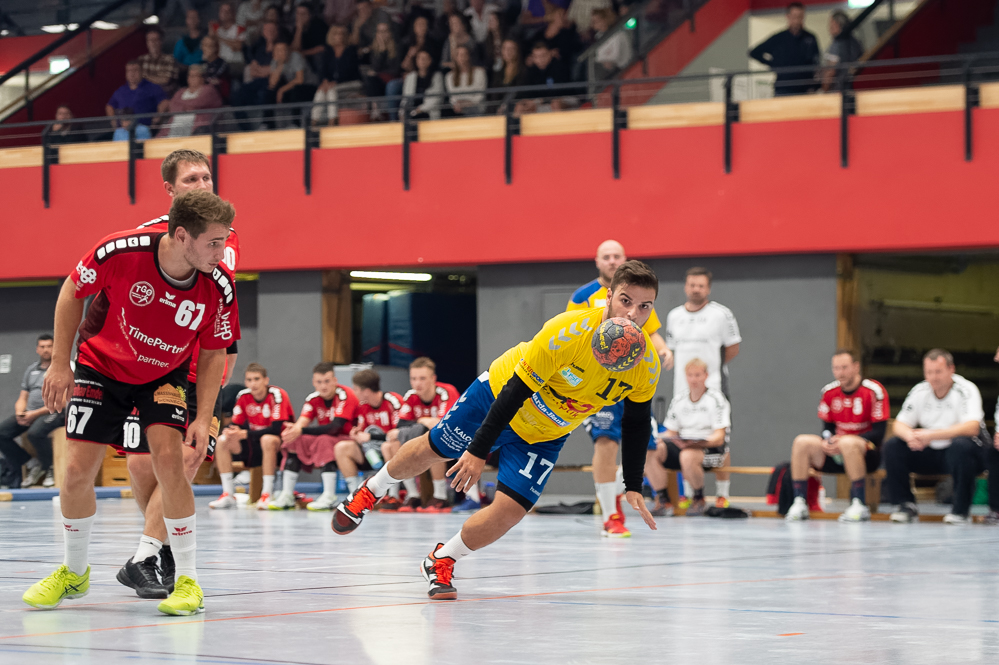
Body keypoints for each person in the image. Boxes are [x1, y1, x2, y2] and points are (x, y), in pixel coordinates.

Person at [333, 260, 662, 600]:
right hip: (498, 396)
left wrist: (633, 485)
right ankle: (372, 490)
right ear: (608, 296)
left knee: (511, 510)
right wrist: (477, 451)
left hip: (546, 432)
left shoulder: (646, 365)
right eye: (625, 300)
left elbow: (636, 422)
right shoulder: (566, 332)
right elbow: (515, 392)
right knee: (437, 447)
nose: (632, 314)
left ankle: (441, 560)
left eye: (644, 306)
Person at [22, 189, 239, 616]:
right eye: (214, 243)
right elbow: (71, 291)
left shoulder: (220, 286)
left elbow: (215, 352)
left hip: (164, 375)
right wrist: (61, 364)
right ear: (182, 236)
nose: (223, 252)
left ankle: (188, 581)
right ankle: (74, 572)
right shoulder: (120, 251)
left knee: (170, 462)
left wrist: (204, 416)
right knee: (76, 471)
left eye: (224, 241)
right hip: (101, 367)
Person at [116, 149, 241, 601]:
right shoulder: (146, 237)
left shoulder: (226, 238)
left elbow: (221, 310)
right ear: (170, 190)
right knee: (140, 464)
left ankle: (144, 555)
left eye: (206, 177)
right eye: (191, 179)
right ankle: (163, 549)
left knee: (187, 458)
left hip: (199, 368)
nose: (202, 184)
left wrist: (218, 373)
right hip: (151, 368)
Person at [570, 239, 671, 535]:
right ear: (597, 261)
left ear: (624, 260)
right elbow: (573, 328)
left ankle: (613, 492)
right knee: (607, 443)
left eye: (617, 256)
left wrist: (663, 349)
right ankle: (611, 516)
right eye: (607, 256)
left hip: (632, 382)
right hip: (598, 385)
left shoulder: (639, 295)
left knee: (646, 449)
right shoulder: (583, 296)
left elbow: (651, 331)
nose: (612, 260)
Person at [885, 349, 990, 524]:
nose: (933, 377)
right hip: (931, 452)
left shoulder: (966, 389)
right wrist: (910, 436)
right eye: (929, 372)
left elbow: (972, 427)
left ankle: (960, 510)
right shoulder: (919, 390)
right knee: (893, 446)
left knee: (961, 446)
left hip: (966, 454)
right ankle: (905, 505)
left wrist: (931, 435)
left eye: (938, 372)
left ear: (951, 369)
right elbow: (899, 424)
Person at [785, 350, 888, 522]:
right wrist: (828, 440)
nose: (840, 373)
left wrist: (847, 440)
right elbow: (827, 428)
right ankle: (799, 502)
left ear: (856, 367)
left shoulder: (873, 390)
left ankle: (859, 504)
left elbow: (878, 433)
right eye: (836, 368)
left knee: (848, 442)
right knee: (801, 442)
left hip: (866, 454)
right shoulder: (829, 391)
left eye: (844, 367)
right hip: (836, 452)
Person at [645, 359, 731, 517]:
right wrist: (657, 438)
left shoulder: (717, 400)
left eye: (697, 375)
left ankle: (698, 499)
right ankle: (663, 500)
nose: (693, 379)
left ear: (706, 376)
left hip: (709, 448)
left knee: (688, 455)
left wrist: (698, 442)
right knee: (651, 450)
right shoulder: (679, 400)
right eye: (690, 375)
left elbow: (719, 436)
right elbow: (670, 432)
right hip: (682, 445)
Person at [276, 362, 359, 511]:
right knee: (295, 439)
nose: (323, 386)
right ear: (313, 383)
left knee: (323, 440)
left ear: (335, 381)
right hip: (327, 438)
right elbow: (302, 423)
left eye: (327, 381)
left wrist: (301, 430)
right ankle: (287, 494)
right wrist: (293, 431)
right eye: (319, 382)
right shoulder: (313, 398)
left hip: (348, 440)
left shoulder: (345, 395)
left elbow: (335, 428)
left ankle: (329, 495)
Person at [381, 357, 460, 512]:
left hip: (456, 447)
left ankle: (441, 497)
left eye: (422, 378)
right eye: (413, 379)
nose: (417, 383)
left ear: (433, 379)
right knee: (394, 442)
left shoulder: (446, 392)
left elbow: (443, 424)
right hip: (425, 448)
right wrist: (423, 420)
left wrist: (422, 422)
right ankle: (412, 495)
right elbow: (401, 425)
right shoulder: (411, 396)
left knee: (435, 438)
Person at [211, 363, 294, 510]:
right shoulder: (243, 396)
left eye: (257, 379)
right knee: (222, 440)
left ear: (266, 380)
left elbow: (276, 429)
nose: (253, 384)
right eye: (249, 380)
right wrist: (230, 431)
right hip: (252, 443)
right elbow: (236, 424)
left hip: (279, 444)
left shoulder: (277, 395)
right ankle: (228, 494)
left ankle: (267, 494)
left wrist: (245, 433)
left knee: (267, 439)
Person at [664, 267, 739, 400]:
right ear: (685, 287)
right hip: (681, 390)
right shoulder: (674, 316)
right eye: (692, 285)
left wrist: (711, 367)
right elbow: (672, 350)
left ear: (708, 288)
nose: (696, 290)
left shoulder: (722, 314)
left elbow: (733, 348)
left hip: (714, 387)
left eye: (701, 286)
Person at [334, 369, 404, 508]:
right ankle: (355, 496)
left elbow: (400, 432)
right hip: (371, 452)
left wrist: (371, 436)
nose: (354, 393)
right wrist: (357, 434)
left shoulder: (393, 401)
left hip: (393, 450)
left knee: (389, 446)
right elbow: (363, 430)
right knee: (341, 447)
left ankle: (393, 495)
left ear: (366, 391)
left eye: (356, 389)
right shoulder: (362, 406)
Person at [0, 335, 62, 489]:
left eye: (49, 346)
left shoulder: (62, 368)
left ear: (55, 348)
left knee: (35, 433)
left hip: (53, 411)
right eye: (42, 346)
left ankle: (49, 469)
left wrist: (34, 414)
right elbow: (23, 396)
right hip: (30, 412)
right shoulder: (31, 370)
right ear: (37, 349)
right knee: (2, 433)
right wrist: (20, 412)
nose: (46, 350)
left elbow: (60, 401)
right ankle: (30, 463)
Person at [749, 2, 819, 97]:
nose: (797, 20)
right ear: (788, 16)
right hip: (783, 87)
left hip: (804, 88)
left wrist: (814, 86)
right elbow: (755, 52)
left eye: (800, 17)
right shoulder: (779, 38)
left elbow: (816, 62)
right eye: (794, 16)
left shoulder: (810, 38)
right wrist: (774, 64)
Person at [311, 24, 363, 126]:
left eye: (342, 34)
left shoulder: (351, 50)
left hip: (352, 82)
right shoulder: (328, 51)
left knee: (331, 90)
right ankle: (314, 121)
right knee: (321, 91)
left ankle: (332, 120)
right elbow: (323, 70)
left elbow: (350, 71)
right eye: (337, 34)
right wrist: (325, 81)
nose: (340, 36)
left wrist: (335, 82)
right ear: (332, 36)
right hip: (334, 85)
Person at [162, 65, 224, 137]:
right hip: (175, 125)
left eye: (194, 76)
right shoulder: (181, 91)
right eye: (190, 76)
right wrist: (186, 107)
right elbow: (172, 106)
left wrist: (181, 105)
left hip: (198, 127)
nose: (191, 78)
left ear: (202, 78)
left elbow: (197, 103)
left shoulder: (209, 90)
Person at [106, 61, 169, 132]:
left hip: (147, 130)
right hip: (124, 131)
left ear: (141, 72)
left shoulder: (152, 87)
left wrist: (159, 115)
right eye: (129, 71)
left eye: (135, 70)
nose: (132, 74)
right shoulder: (121, 91)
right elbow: (109, 106)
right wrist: (113, 120)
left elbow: (164, 102)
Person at [819, 10, 863, 92]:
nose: (829, 27)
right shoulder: (856, 42)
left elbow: (831, 71)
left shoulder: (837, 44)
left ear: (837, 24)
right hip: (853, 86)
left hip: (838, 89)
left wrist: (824, 89)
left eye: (831, 23)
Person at [401, 49, 445, 120]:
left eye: (425, 58)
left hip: (428, 113)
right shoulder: (410, 77)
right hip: (411, 112)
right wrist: (402, 112)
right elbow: (405, 98)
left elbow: (437, 99)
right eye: (419, 58)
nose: (422, 61)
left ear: (430, 61)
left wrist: (420, 109)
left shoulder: (437, 76)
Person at [445, 44, 486, 116]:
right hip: (458, 109)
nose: (462, 57)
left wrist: (467, 104)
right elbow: (452, 97)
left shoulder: (479, 72)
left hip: (476, 108)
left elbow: (480, 95)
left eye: (464, 54)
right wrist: (459, 104)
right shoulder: (449, 76)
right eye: (459, 55)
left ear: (469, 56)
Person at [139, 27, 181, 95]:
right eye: (150, 40)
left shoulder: (170, 59)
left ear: (161, 42)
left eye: (156, 40)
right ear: (147, 43)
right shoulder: (141, 60)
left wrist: (144, 78)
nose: (153, 43)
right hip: (147, 96)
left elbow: (165, 80)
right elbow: (136, 80)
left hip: (166, 96)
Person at [210, 2, 247, 78]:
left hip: (235, 63)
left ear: (233, 13)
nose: (225, 13)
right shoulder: (216, 29)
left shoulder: (239, 28)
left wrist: (219, 38)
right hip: (219, 62)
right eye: (222, 11)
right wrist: (211, 35)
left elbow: (238, 47)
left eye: (228, 11)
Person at [291, 2, 329, 73]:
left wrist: (303, 53)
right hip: (303, 58)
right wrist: (299, 30)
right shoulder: (296, 28)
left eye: (303, 14)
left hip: (317, 57)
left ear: (310, 15)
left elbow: (322, 48)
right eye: (298, 13)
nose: (300, 17)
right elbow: (295, 49)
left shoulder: (319, 25)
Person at [490, 38, 526, 113]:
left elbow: (519, 94)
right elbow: (494, 95)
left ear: (517, 51)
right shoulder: (498, 73)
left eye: (511, 49)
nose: (508, 52)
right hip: (497, 111)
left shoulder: (523, 72)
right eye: (505, 49)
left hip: (514, 110)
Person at [592, 7, 629, 74]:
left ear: (605, 20)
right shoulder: (598, 36)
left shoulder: (618, 35)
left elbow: (615, 56)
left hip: (622, 70)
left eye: (596, 21)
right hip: (604, 71)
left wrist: (604, 59)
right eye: (593, 22)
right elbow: (598, 56)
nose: (594, 25)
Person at [200, 34, 231, 100]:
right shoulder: (203, 64)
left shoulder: (222, 63)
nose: (204, 49)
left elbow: (214, 78)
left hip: (218, 96)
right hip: (202, 95)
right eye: (204, 45)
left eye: (209, 46)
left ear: (215, 48)